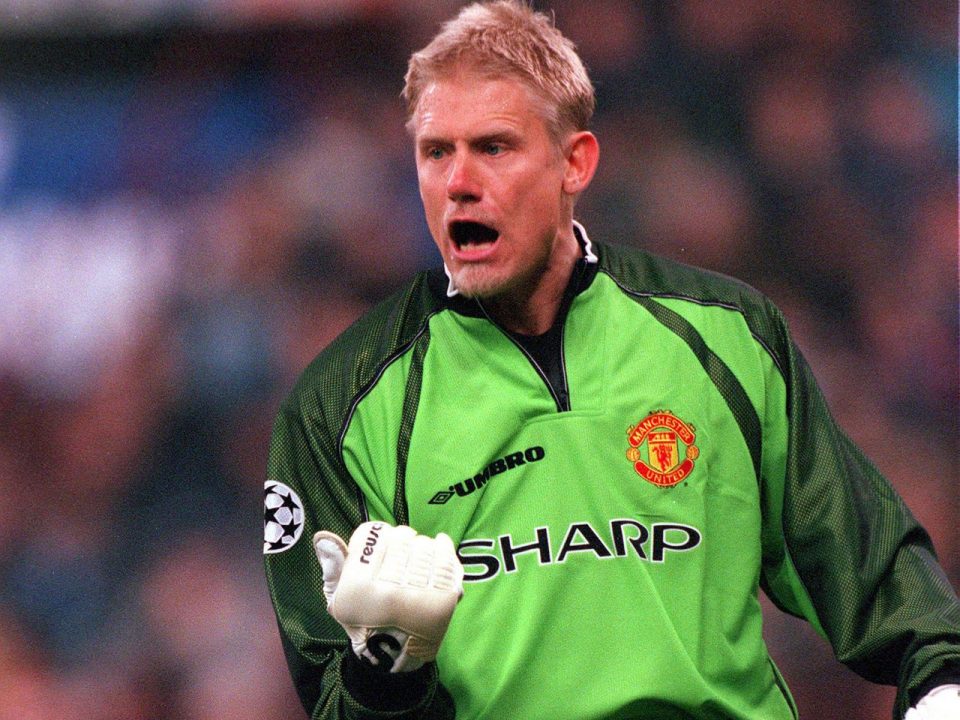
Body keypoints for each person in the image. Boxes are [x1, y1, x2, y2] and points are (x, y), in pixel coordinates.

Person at [263, 2, 960, 718]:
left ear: (575, 162)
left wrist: (942, 684)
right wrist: (387, 671)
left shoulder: (727, 337)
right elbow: (329, 701)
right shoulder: (340, 405)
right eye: (436, 151)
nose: (458, 182)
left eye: (494, 147)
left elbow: (871, 570)